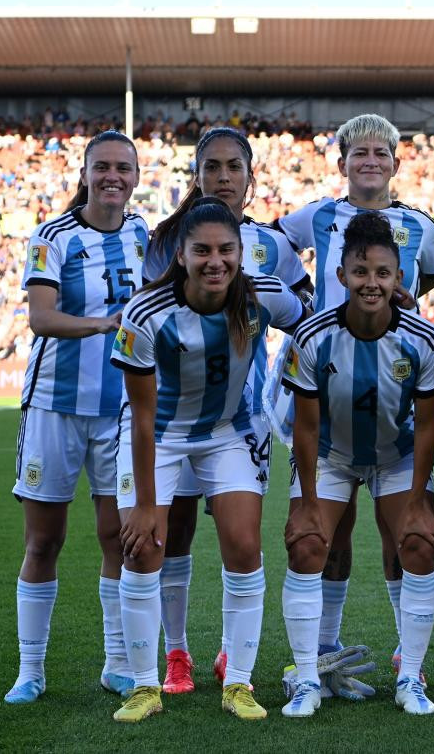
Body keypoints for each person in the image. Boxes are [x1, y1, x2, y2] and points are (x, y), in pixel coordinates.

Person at [272, 114, 434, 690]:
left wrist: (411, 300)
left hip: (394, 392)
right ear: (343, 162)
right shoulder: (317, 216)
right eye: (359, 152)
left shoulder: (418, 226)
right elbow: (268, 248)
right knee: (331, 531)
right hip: (324, 384)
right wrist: (299, 297)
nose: (370, 160)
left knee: (399, 532)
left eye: (381, 152)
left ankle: (409, 655)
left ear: (396, 164)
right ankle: (321, 656)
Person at [108, 197, 307, 722]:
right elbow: (144, 418)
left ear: (242, 253)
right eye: (202, 251)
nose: (214, 261)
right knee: (143, 549)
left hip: (227, 431)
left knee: (243, 546)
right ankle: (144, 685)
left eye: (225, 250)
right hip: (161, 436)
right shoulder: (146, 313)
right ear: (180, 255)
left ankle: (238, 683)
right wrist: (148, 506)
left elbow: (319, 322)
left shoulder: (262, 295)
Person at [141, 127, 312, 695]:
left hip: (243, 416)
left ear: (250, 176)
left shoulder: (272, 244)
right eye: (210, 166)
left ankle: (228, 655)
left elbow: (306, 314)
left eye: (232, 167)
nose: (221, 177)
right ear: (196, 175)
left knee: (241, 536)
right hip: (174, 413)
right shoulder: (167, 240)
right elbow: (156, 322)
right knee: (177, 531)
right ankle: (176, 653)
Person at [4, 130, 149, 705]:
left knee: (118, 537)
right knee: (44, 540)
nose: (113, 176)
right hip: (55, 407)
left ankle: (117, 663)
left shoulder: (146, 236)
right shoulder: (53, 235)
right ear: (86, 174)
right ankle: (30, 670)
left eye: (124, 168)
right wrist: (105, 323)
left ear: (137, 178)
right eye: (103, 167)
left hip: (120, 409)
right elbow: (41, 318)